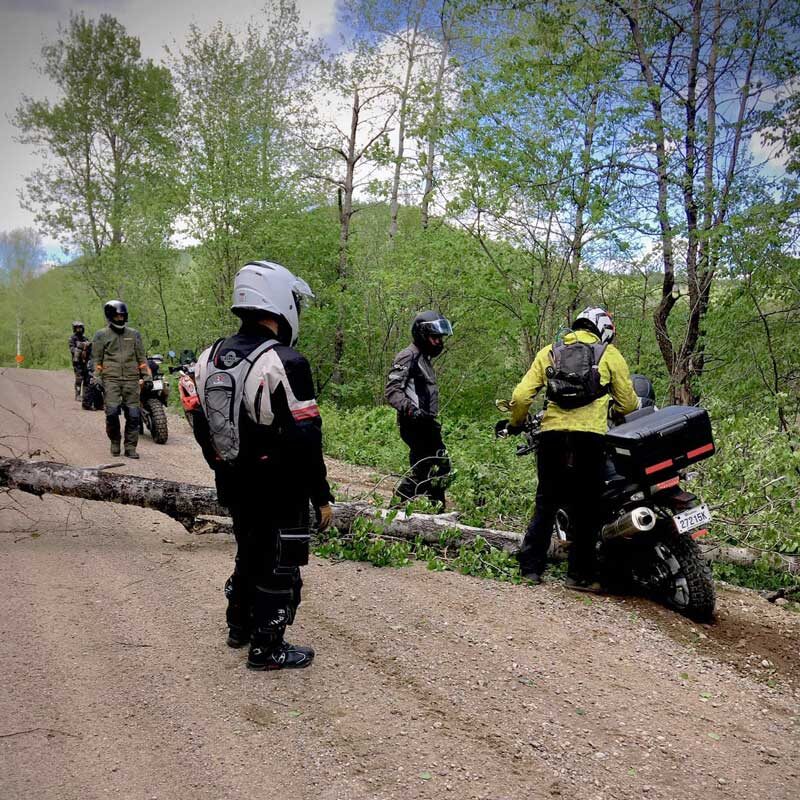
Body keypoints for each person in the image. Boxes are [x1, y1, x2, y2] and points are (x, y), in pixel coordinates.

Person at [192, 261, 334, 671]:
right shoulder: (286, 361)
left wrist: (223, 466)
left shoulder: (209, 355)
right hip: (280, 486)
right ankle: (267, 647)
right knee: (282, 562)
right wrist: (321, 497)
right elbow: (307, 437)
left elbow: (200, 421)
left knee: (248, 550)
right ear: (280, 303)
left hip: (233, 480)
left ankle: (238, 626)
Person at [500, 306, 638, 591]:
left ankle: (530, 569)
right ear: (602, 329)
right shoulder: (608, 354)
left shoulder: (549, 352)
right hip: (590, 438)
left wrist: (516, 422)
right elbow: (627, 403)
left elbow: (521, 396)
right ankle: (580, 575)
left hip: (552, 436)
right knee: (587, 507)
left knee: (546, 502)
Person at [385, 310, 453, 508]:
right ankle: (394, 510)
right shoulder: (408, 356)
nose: (439, 343)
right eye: (435, 338)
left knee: (440, 466)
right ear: (421, 334)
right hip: (414, 424)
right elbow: (392, 390)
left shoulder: (423, 359)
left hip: (426, 424)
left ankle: (436, 509)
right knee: (425, 467)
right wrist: (411, 410)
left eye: (440, 338)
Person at [92, 301, 151, 459]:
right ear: (111, 316)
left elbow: (141, 357)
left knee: (133, 414)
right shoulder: (101, 335)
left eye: (123, 315)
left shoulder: (134, 334)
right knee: (111, 413)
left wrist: (146, 376)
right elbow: (97, 360)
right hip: (110, 379)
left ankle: (131, 447)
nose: (120, 318)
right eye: (117, 315)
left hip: (131, 380)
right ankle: (115, 441)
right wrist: (97, 378)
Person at [68, 321, 90, 401]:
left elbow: (89, 348)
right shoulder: (72, 338)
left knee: (87, 378)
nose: (79, 330)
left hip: (86, 361)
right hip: (77, 362)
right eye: (77, 328)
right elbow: (72, 349)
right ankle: (77, 395)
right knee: (79, 378)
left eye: (80, 328)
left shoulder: (85, 338)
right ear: (74, 329)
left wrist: (87, 347)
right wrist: (79, 349)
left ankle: (85, 395)